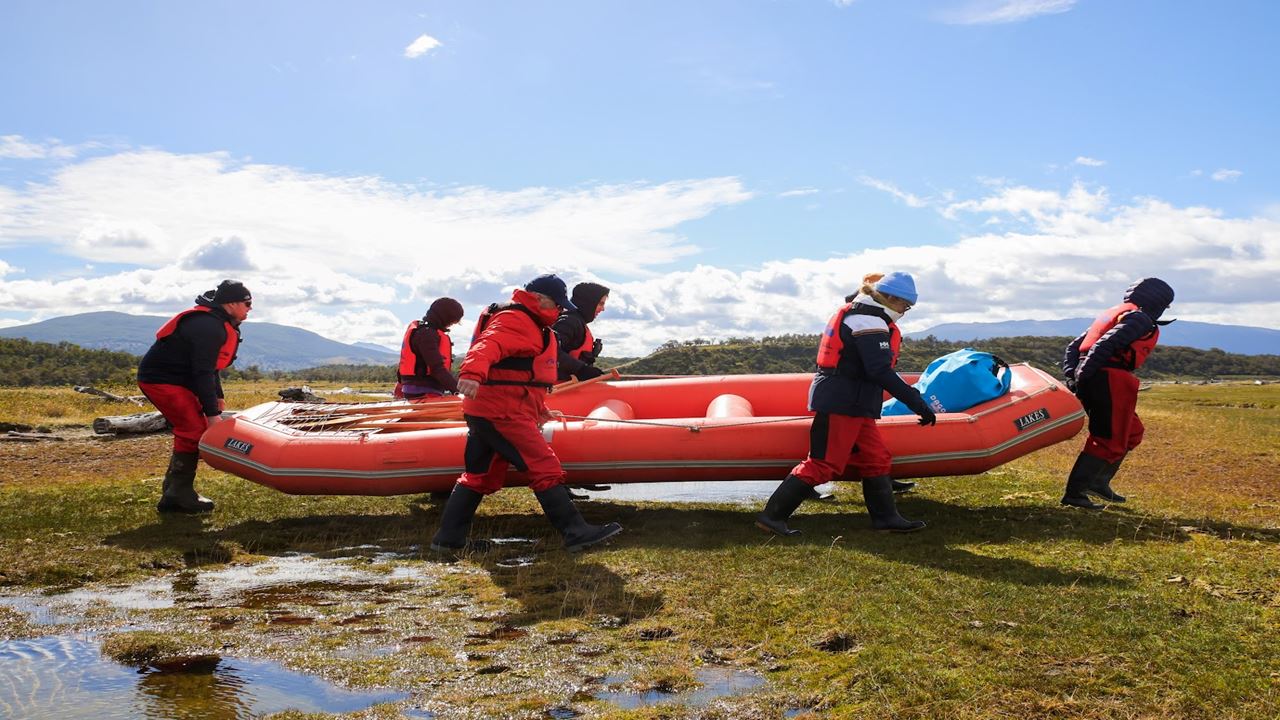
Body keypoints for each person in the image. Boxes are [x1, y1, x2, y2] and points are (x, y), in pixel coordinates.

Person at [430, 274, 623, 554]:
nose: (559, 311)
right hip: (502, 411)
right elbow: (488, 346)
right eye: (556, 305)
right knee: (544, 465)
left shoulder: (527, 320)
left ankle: (447, 540)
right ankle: (576, 532)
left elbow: (520, 373)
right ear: (539, 300)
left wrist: (539, 408)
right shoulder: (516, 319)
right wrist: (471, 375)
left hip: (495, 408)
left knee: (480, 475)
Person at [755, 272, 937, 535]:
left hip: (855, 401)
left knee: (876, 458)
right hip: (842, 401)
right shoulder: (866, 320)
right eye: (905, 306)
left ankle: (886, 519)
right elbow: (879, 370)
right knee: (823, 463)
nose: (905, 312)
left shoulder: (867, 314)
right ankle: (772, 517)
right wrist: (916, 401)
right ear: (891, 298)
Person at [137, 280, 253, 513]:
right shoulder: (208, 327)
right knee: (192, 430)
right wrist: (212, 416)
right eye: (247, 303)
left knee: (191, 429)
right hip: (163, 381)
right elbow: (202, 371)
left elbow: (211, 369)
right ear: (231, 304)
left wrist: (217, 398)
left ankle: (174, 491)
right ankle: (178, 495)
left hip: (180, 380)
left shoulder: (218, 322)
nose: (250, 308)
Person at [1060, 278, 1174, 509]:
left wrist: (1074, 374)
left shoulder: (1118, 314)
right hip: (1108, 379)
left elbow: (1075, 347)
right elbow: (1104, 346)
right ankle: (1075, 494)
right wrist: (1082, 378)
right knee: (1107, 438)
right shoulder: (1139, 318)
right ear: (1158, 302)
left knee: (1132, 432)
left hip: (1102, 377)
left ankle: (1098, 483)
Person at [397, 297, 465, 399]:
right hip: (423, 392)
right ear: (445, 317)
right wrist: (458, 392)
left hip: (415, 389)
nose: (451, 325)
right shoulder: (427, 334)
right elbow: (436, 368)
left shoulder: (422, 330)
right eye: (452, 321)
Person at [553, 282, 610, 382]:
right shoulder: (569, 322)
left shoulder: (576, 322)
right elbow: (550, 351)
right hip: (559, 390)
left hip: (569, 388)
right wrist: (581, 370)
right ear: (589, 303)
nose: (603, 309)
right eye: (600, 303)